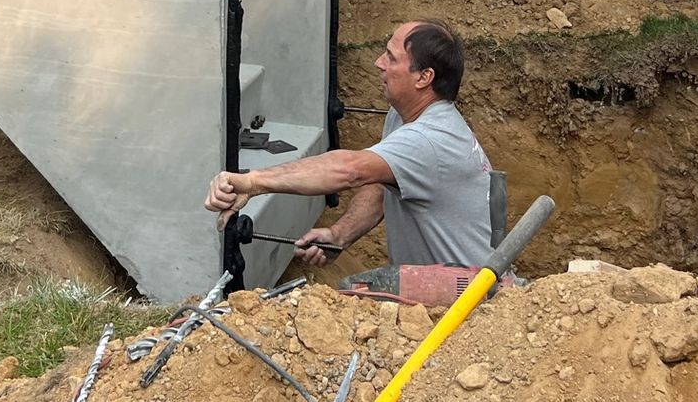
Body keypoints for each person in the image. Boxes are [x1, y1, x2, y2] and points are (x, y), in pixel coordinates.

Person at [203, 19, 494, 268]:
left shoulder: (428, 140)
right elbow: (382, 187)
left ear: (424, 77)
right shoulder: (404, 117)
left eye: (391, 58)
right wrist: (340, 234)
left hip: (467, 306)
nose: (378, 63)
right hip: (437, 296)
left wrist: (254, 182)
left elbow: (351, 169)